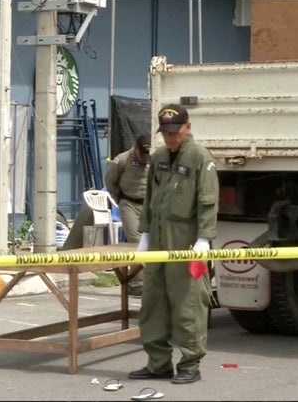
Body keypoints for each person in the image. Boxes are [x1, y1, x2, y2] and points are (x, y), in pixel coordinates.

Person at [128, 103, 219, 385]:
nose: (170, 138)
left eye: (175, 132)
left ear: (187, 127)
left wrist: (204, 238)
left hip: (187, 240)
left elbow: (208, 200)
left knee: (188, 302)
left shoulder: (200, 158)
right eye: (166, 133)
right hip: (157, 238)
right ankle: (158, 363)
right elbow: (151, 198)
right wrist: (144, 234)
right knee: (153, 301)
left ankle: (190, 363)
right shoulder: (158, 157)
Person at [105, 133, 151, 295]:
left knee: (153, 242)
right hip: (129, 204)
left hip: (148, 205)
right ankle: (137, 282)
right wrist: (119, 200)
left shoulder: (155, 158)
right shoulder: (122, 160)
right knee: (137, 242)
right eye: (142, 154)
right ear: (135, 149)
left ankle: (151, 280)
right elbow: (110, 182)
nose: (144, 158)